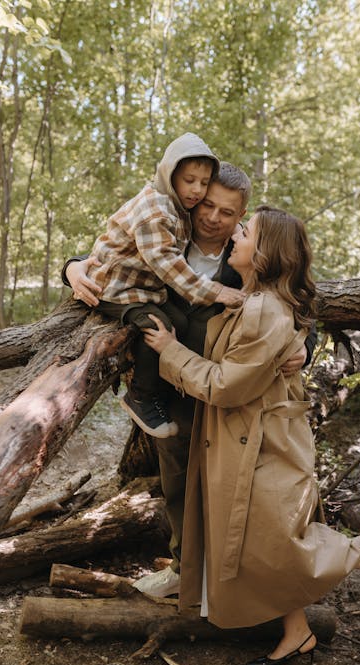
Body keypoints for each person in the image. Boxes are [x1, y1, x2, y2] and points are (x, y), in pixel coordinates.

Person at [144, 205, 360, 665]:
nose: (234, 232)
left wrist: (170, 351)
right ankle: (297, 633)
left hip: (262, 441)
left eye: (246, 229)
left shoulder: (262, 307)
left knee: (272, 541)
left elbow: (224, 385)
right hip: (241, 436)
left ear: (264, 253)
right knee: (255, 540)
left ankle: (355, 554)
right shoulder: (246, 291)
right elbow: (134, 252)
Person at [63, 164, 316, 598]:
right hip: (172, 387)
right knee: (177, 478)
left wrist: (303, 347)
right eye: (208, 204)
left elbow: (299, 299)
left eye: (228, 212)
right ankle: (184, 568)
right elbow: (108, 255)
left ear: (242, 217)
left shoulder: (249, 257)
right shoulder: (166, 230)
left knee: (233, 489)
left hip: (228, 390)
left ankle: (237, 581)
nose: (214, 217)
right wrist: (70, 268)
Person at [82, 133, 244, 439]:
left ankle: (157, 388)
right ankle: (140, 396)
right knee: (159, 325)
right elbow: (167, 264)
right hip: (116, 289)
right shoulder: (155, 210)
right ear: (169, 175)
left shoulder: (179, 208)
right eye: (189, 180)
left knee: (179, 321)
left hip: (143, 289)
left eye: (204, 182)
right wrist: (216, 291)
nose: (196, 190)